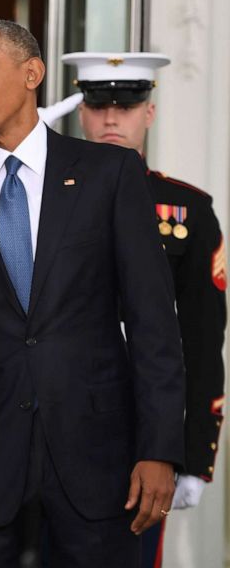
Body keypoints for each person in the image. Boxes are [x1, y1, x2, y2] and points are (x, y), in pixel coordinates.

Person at [0, 19, 185, 567]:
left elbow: (154, 323)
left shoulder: (109, 174)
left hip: (100, 462)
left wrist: (159, 449)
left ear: (32, 72)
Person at [67, 50, 227, 568]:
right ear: (80, 110)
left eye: (129, 104)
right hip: (50, 417)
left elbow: (202, 342)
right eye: (98, 104)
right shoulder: (42, 195)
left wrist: (195, 455)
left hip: (140, 429)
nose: (112, 117)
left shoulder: (187, 210)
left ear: (149, 112)